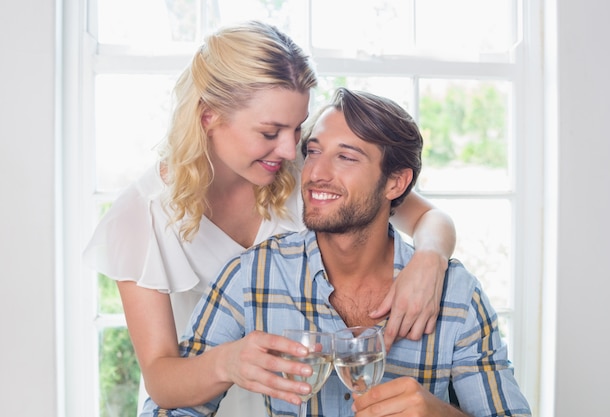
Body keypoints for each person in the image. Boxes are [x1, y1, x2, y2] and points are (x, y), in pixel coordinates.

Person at [82, 21, 457, 416]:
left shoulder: (309, 172)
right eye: (269, 131)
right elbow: (161, 380)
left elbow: (429, 217)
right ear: (210, 117)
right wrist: (228, 362)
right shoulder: (141, 214)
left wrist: (429, 259)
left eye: (297, 129)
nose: (288, 148)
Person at [142, 87, 531, 417]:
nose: (315, 174)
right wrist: (224, 365)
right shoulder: (254, 275)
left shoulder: (456, 296)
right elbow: (167, 407)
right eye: (312, 152)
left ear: (396, 182)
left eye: (346, 157)